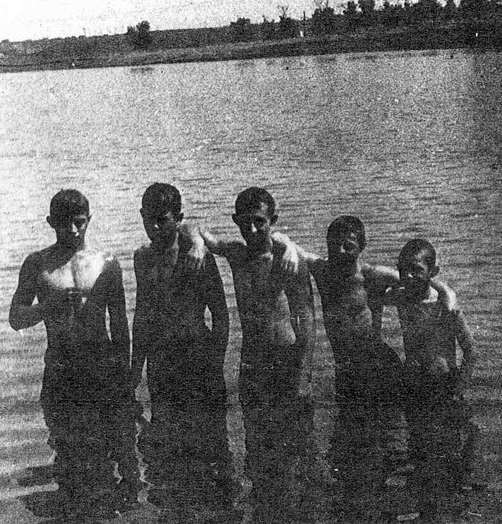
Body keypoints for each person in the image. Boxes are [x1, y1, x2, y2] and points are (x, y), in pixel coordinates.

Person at [275, 216, 457, 519]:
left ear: (361, 247)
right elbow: (281, 238)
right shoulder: (322, 270)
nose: (340, 252)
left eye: (348, 246)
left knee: (382, 435)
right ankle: (358, 499)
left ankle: (396, 490)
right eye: (334, 245)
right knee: (349, 437)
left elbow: (418, 279)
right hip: (346, 370)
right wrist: (290, 249)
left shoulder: (371, 275)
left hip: (376, 366)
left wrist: (447, 292)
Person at [9, 189, 139, 516]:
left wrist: (126, 380)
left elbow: (120, 326)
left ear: (89, 220)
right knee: (67, 454)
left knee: (110, 448)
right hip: (60, 374)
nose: (72, 230)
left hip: (102, 371)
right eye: (63, 224)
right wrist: (47, 306)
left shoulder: (107, 263)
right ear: (50, 223)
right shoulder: (37, 264)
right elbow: (16, 318)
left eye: (79, 222)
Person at [196, 187, 316, 523]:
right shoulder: (236, 254)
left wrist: (304, 375)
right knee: (257, 447)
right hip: (252, 365)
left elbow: (306, 317)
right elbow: (203, 233)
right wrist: (193, 239)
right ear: (235, 221)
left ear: (272, 220)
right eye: (244, 223)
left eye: (259, 222)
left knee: (297, 448)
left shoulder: (288, 260)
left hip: (287, 362)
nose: (251, 230)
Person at [131, 183, 233, 514]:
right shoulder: (142, 258)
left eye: (162, 220)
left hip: (199, 359)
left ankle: (219, 512)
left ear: (178, 219)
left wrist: (216, 363)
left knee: (213, 446)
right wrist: (135, 372)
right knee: (165, 447)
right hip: (162, 365)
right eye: (148, 219)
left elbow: (221, 314)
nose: (154, 227)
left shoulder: (197, 256)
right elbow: (142, 316)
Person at [390, 238, 477, 522]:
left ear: (433, 271)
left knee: (448, 452)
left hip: (444, 389)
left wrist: (459, 388)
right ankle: (427, 508)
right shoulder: (402, 299)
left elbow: (471, 352)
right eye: (404, 270)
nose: (409, 276)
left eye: (417, 270)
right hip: (415, 388)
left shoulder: (446, 308)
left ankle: (451, 503)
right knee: (420, 449)